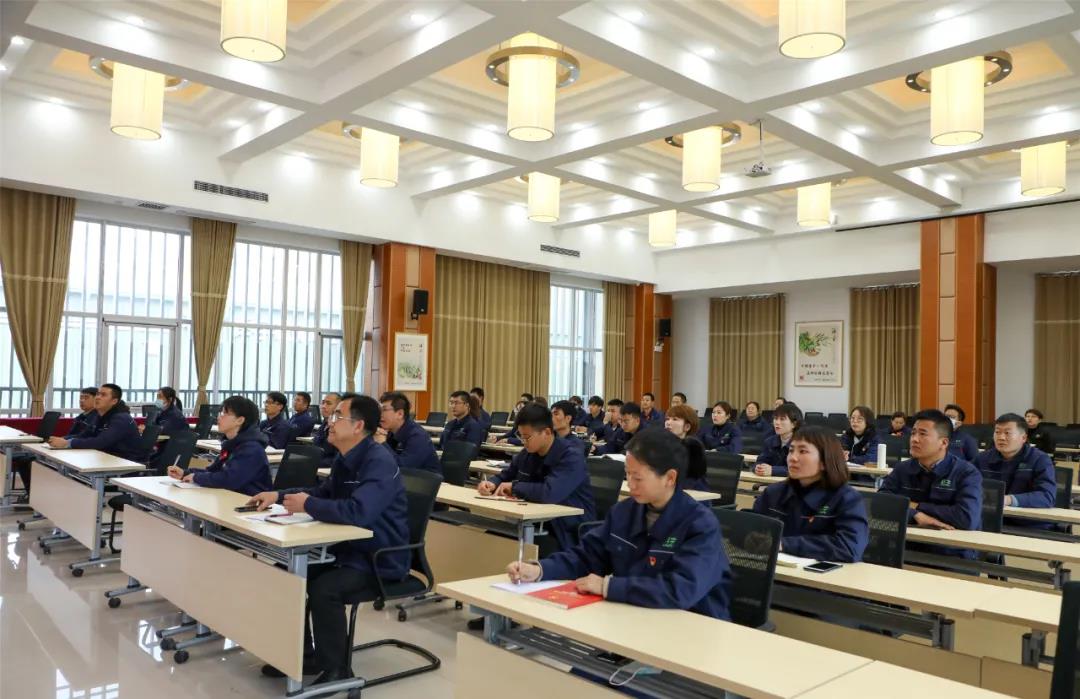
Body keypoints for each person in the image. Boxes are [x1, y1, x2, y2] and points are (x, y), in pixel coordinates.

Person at [249, 394, 410, 686]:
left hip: (379, 557)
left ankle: (338, 670)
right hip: (348, 549)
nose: (329, 422)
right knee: (286, 572)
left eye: (337, 416)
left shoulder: (379, 462)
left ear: (358, 426)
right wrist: (279, 495)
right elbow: (322, 493)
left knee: (324, 588)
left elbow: (359, 512)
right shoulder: (345, 458)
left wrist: (308, 505)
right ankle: (304, 655)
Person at [507, 428, 731, 620]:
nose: (630, 484)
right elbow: (587, 556)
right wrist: (540, 569)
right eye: (627, 475)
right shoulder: (624, 512)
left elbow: (680, 589)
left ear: (670, 478)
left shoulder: (700, 525)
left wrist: (608, 586)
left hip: (691, 627)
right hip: (635, 615)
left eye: (638, 478)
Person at [479, 403, 595, 554]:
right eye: (521, 436)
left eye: (527, 437)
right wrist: (491, 483)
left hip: (565, 529)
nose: (523, 441)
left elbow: (549, 492)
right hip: (534, 522)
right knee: (490, 541)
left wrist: (514, 487)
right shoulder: (528, 452)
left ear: (546, 432)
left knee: (508, 549)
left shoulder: (571, 456)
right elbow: (506, 475)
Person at [752, 426, 869, 562]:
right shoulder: (773, 493)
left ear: (825, 460)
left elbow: (849, 547)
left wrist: (783, 544)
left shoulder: (847, 499)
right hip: (774, 570)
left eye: (803, 451)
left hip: (825, 574)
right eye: (791, 450)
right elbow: (752, 530)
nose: (792, 458)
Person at [879, 409, 982, 559]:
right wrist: (916, 514)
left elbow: (966, 518)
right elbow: (880, 503)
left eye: (923, 434)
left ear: (943, 443)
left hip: (951, 552)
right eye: (913, 433)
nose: (914, 439)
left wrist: (916, 506)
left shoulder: (966, 473)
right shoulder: (903, 468)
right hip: (907, 546)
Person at [167, 395, 272, 495]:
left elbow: (230, 480)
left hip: (249, 502)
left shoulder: (251, 449)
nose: (219, 417)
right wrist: (185, 473)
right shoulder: (231, 444)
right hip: (229, 497)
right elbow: (212, 471)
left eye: (225, 413)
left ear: (240, 420)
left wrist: (196, 477)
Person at [975, 413, 1055, 529]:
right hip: (989, 521)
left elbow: (1046, 496)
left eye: (1007, 433)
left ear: (1023, 438)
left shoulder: (1040, 459)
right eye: (997, 432)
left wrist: (1008, 500)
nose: (1001, 437)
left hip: (1029, 525)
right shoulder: (982, 458)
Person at [14, 386, 98, 493]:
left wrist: (61, 440)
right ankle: (32, 493)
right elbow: (71, 434)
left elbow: (82, 436)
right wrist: (59, 439)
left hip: (79, 450)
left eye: (86, 398)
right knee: (24, 460)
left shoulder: (96, 417)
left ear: (96, 399)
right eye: (81, 398)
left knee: (28, 461)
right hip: (69, 446)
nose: (82, 400)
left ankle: (38, 493)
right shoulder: (81, 416)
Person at [47, 383, 144, 462]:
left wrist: (68, 443)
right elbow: (84, 435)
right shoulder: (99, 416)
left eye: (103, 395)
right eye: (98, 394)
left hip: (126, 462)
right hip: (106, 458)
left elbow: (101, 442)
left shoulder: (121, 419)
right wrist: (61, 440)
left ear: (114, 401)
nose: (98, 397)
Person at [375, 392, 441, 474]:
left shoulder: (418, 436)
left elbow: (403, 468)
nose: (380, 414)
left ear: (400, 414)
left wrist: (382, 443)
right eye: (379, 410)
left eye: (384, 410)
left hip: (426, 480)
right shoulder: (390, 432)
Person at [146, 386, 191, 467]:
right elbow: (154, 426)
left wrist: (149, 430)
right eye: (157, 397)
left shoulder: (175, 415)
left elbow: (163, 430)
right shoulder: (162, 412)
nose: (158, 399)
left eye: (160, 397)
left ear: (169, 399)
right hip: (163, 449)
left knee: (144, 460)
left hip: (171, 453)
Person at [754, 403, 802, 477]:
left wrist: (773, 470)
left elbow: (799, 469)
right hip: (770, 481)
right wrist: (758, 468)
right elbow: (760, 461)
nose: (777, 422)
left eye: (782, 419)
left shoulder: (802, 444)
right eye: (776, 418)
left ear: (794, 424)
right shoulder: (769, 442)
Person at [312, 393, 341, 468]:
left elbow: (338, 459)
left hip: (326, 469)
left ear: (338, 407)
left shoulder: (340, 429)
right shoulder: (324, 425)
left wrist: (313, 463)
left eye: (328, 403)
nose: (323, 406)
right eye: (323, 403)